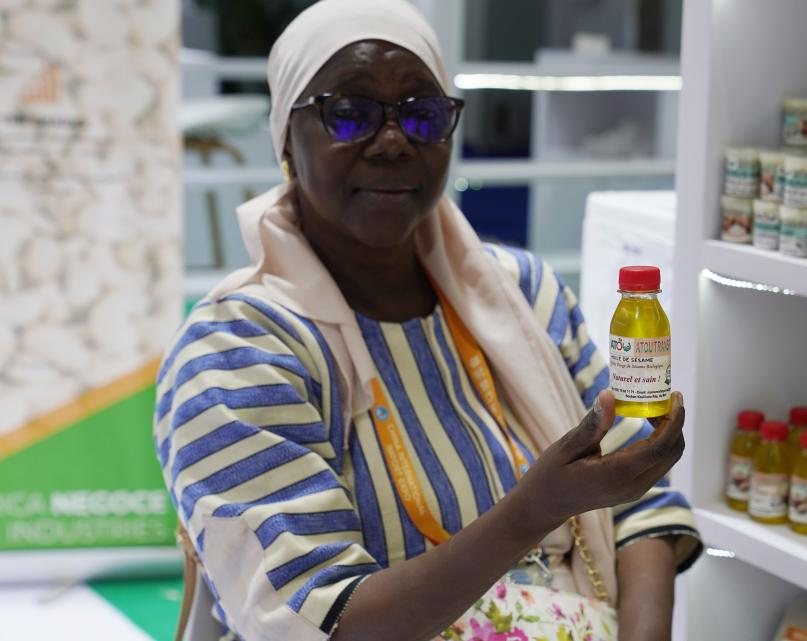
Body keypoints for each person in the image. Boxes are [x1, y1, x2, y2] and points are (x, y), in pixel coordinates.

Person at [155, 1, 701, 640]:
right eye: (349, 113)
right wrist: (534, 510)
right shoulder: (237, 352)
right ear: (286, 142)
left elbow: (642, 506)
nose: (392, 142)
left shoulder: (525, 295)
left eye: (423, 114)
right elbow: (315, 621)